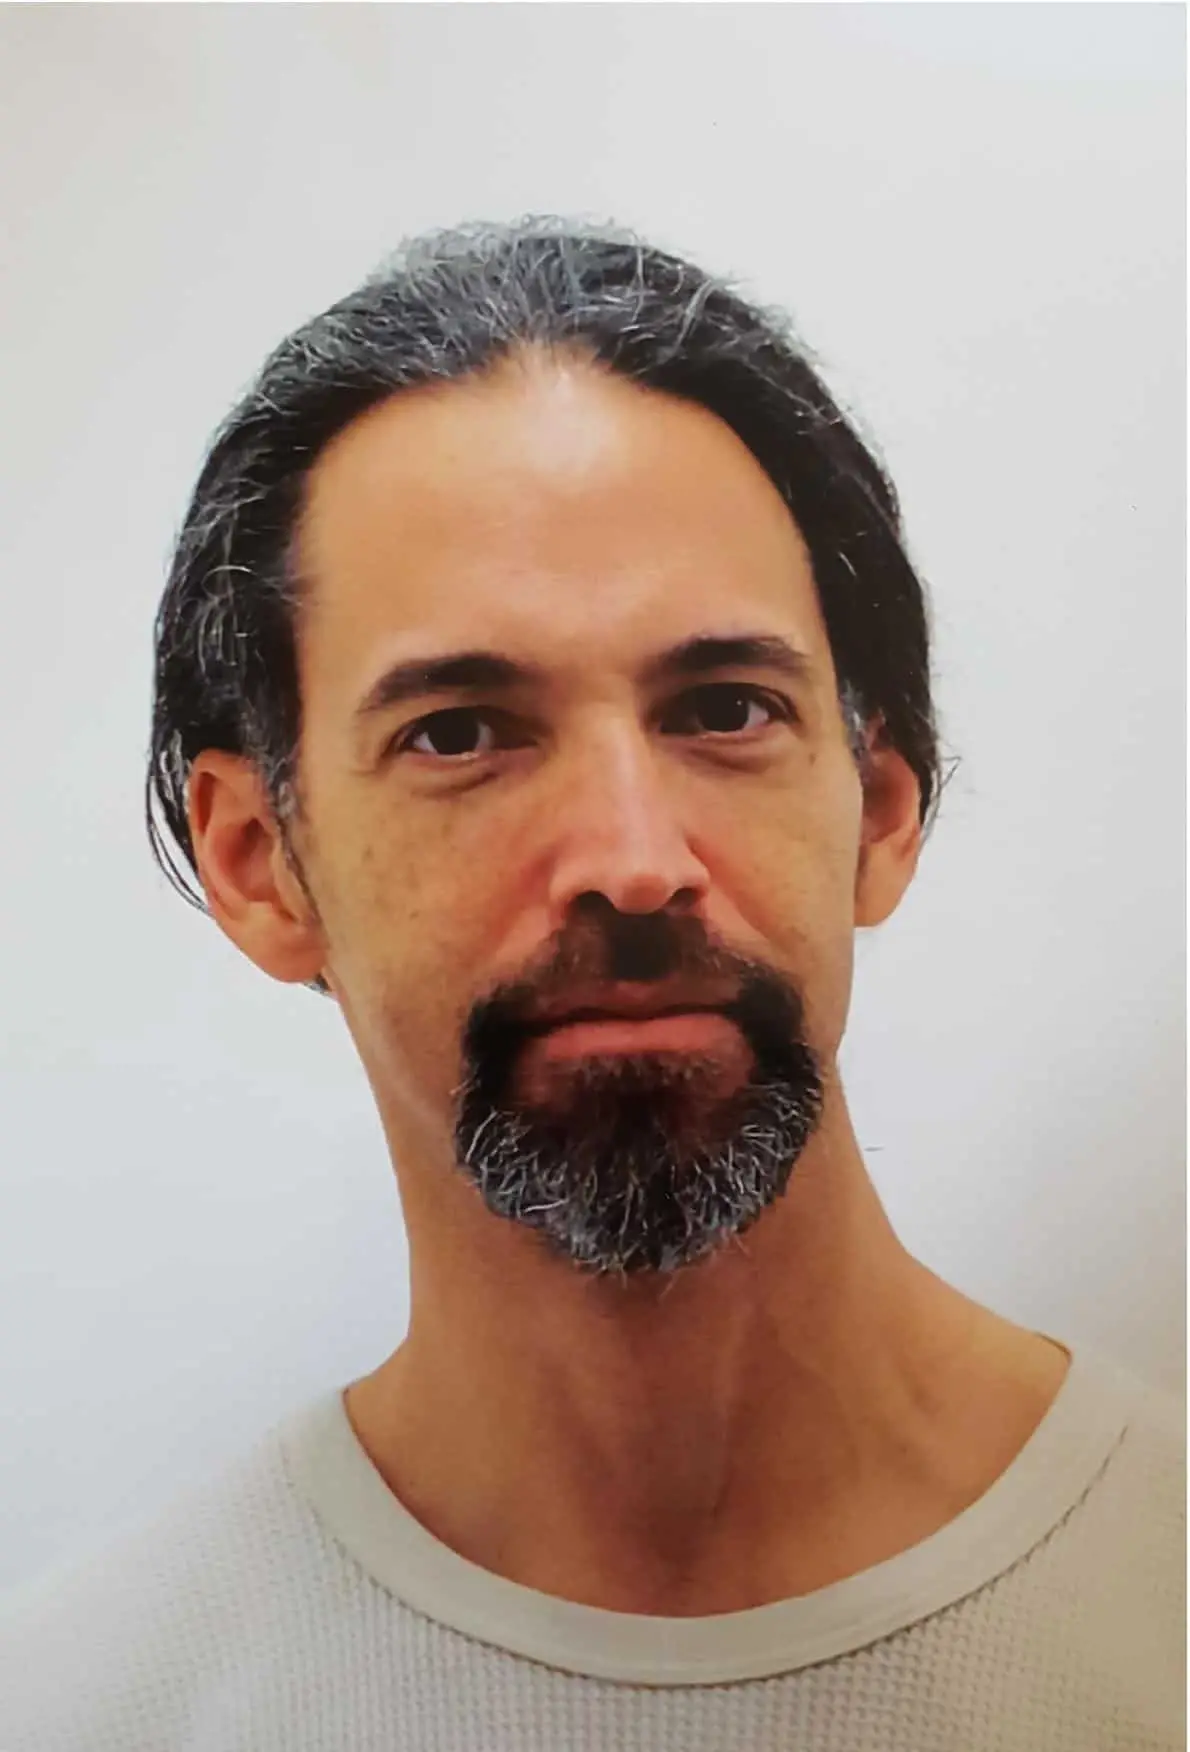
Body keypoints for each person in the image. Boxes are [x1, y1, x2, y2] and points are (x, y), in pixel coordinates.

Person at [4, 217, 1183, 1750]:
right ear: (255, 861)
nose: (633, 859)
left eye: (722, 708)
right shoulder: (85, 1707)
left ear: (882, 807)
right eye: (459, 733)